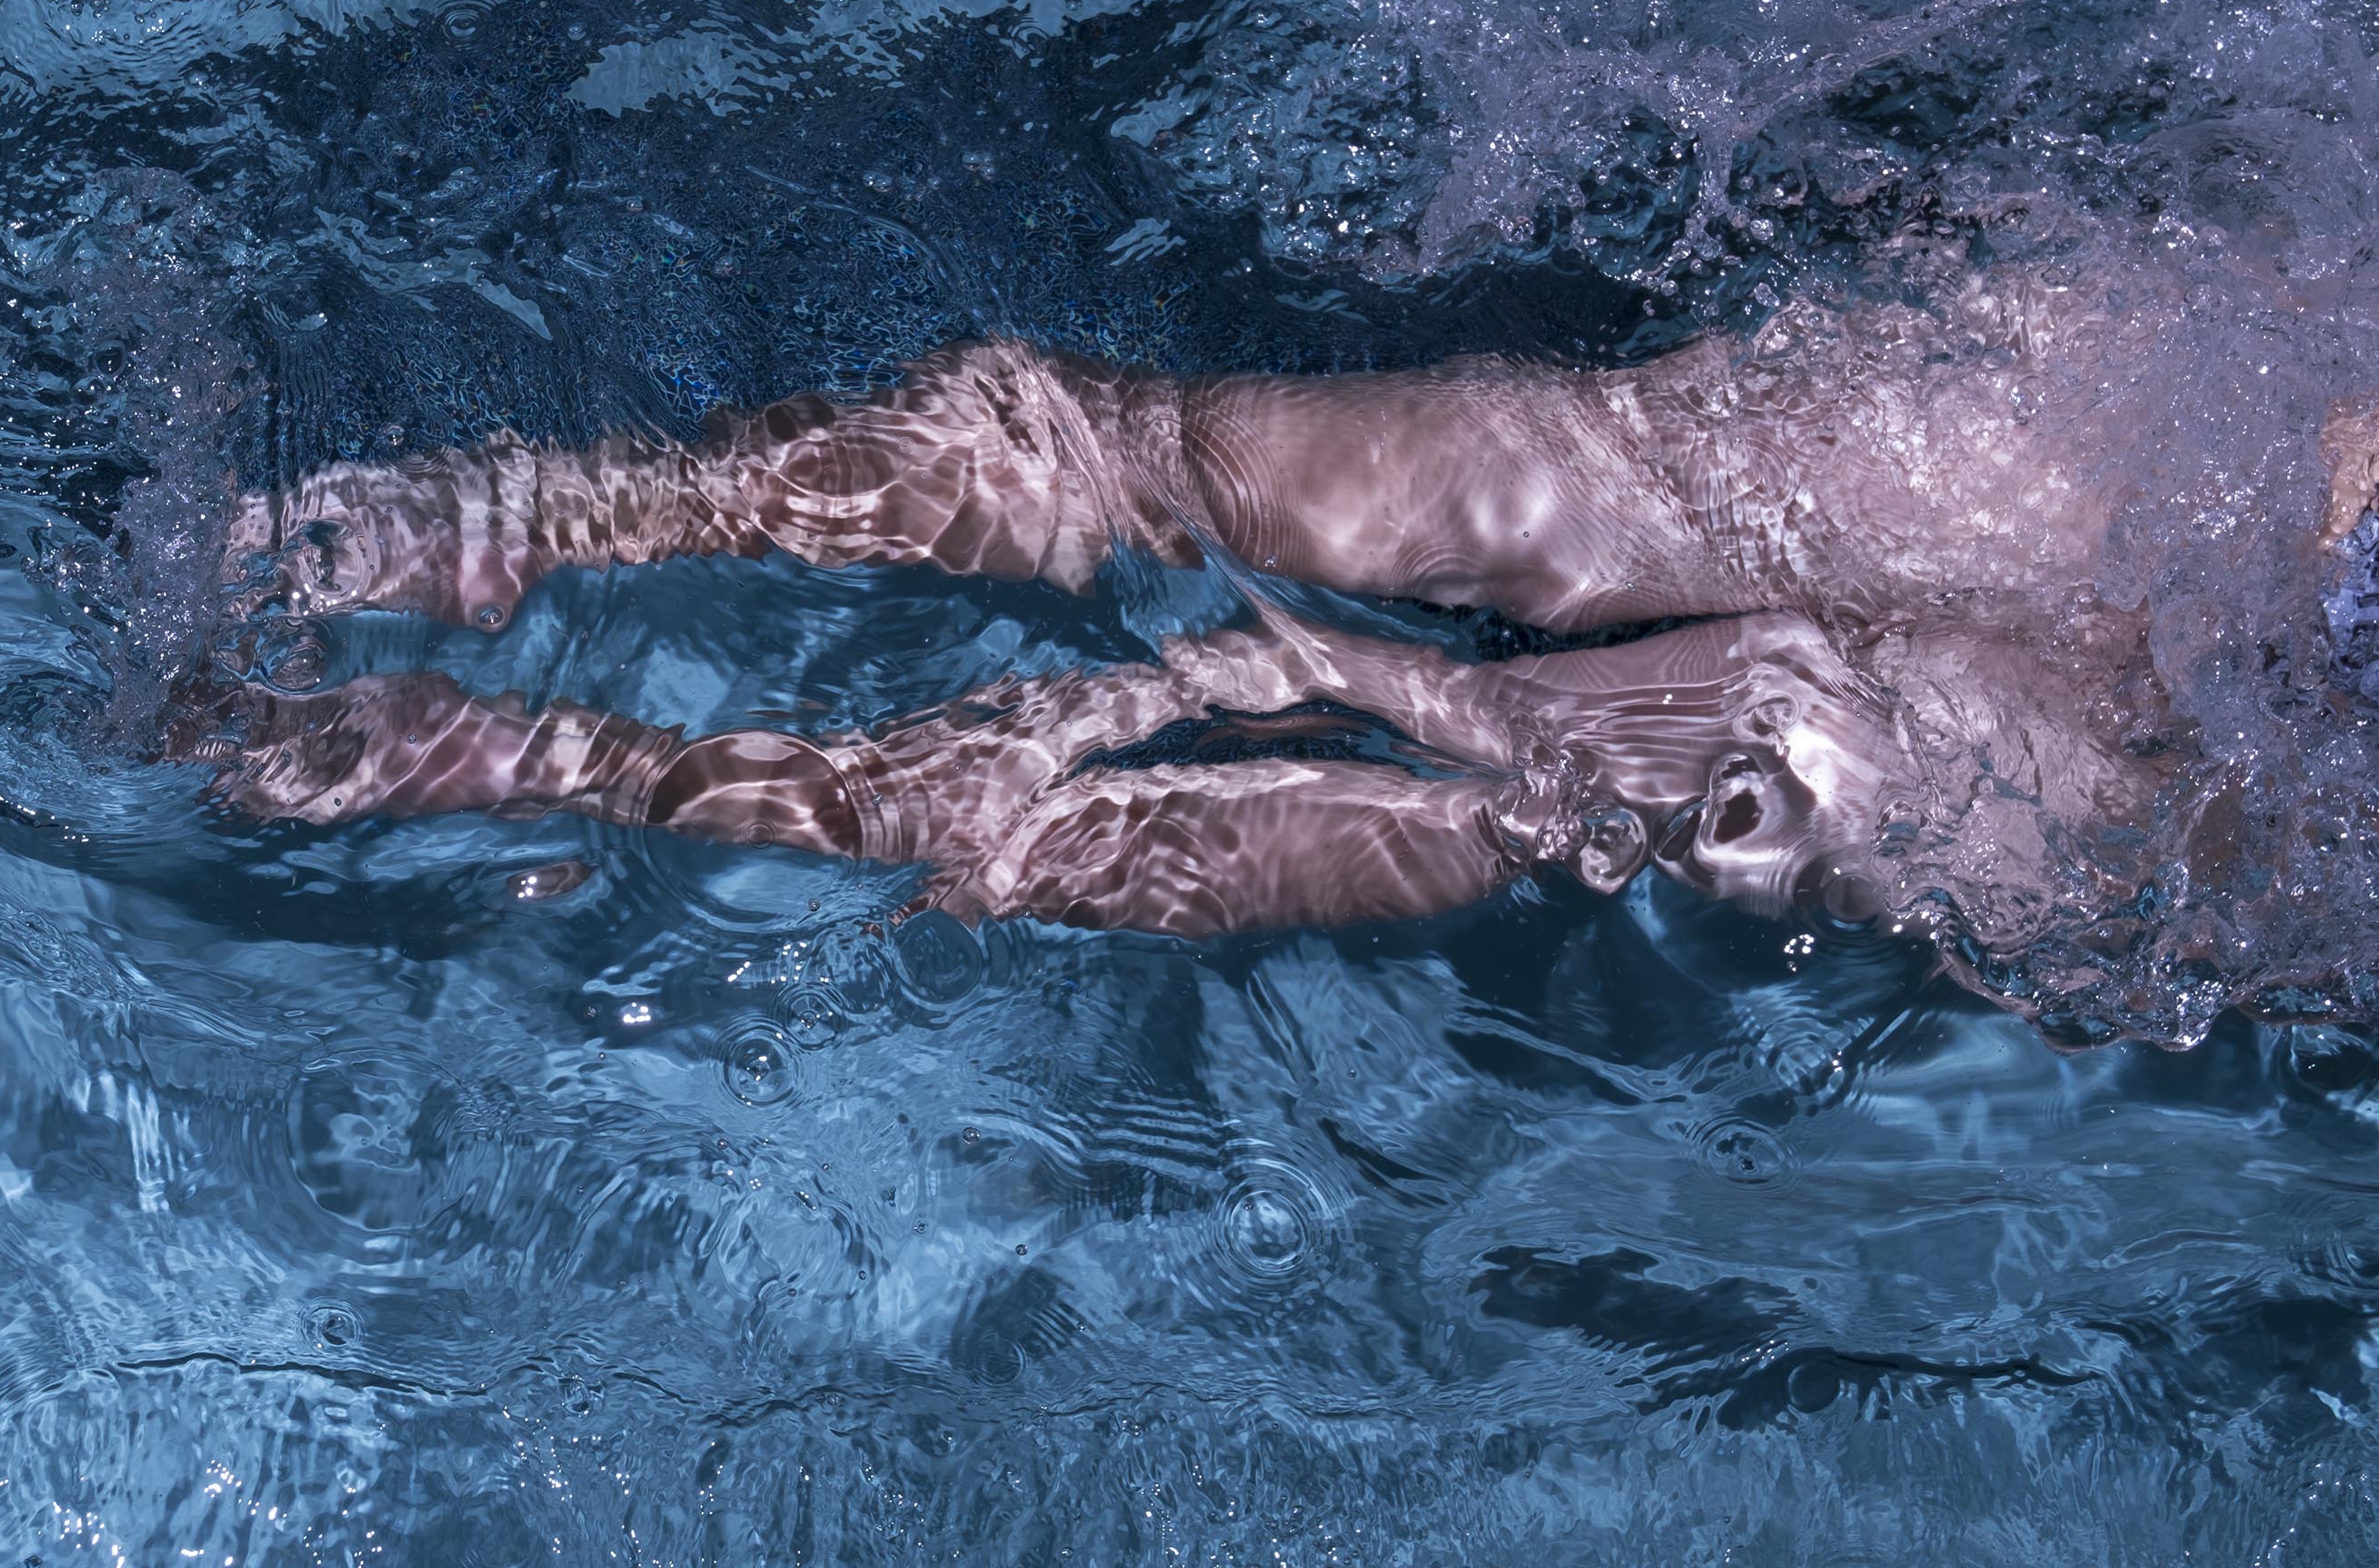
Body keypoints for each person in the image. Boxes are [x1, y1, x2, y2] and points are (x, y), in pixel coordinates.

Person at [164, 271, 2341, 1015]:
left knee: (1588, 767)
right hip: (2273, 429)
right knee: (1482, 481)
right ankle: (593, 504)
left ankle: (576, 764)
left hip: (2293, 809)